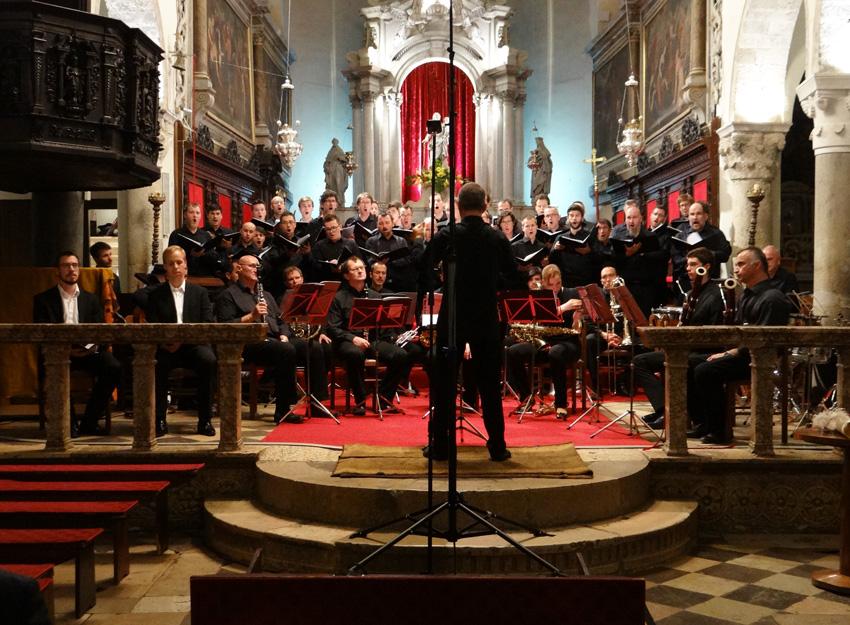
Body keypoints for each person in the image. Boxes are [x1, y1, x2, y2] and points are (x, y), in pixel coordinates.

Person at [426, 182, 518, 462]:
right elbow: (512, 275)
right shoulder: (496, 237)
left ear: (458, 206)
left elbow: (424, 266)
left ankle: (441, 446)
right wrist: (492, 283)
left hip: (453, 315)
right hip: (485, 317)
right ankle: (497, 446)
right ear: (485, 205)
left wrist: (443, 277)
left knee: (445, 384)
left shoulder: (447, 235)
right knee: (489, 385)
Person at [687, 246, 790, 444]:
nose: (736, 269)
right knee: (689, 363)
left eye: (741, 264)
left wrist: (730, 353)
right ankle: (703, 424)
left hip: (760, 360)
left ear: (757, 266)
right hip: (743, 355)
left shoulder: (772, 298)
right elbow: (738, 331)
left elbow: (765, 341)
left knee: (705, 370)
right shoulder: (747, 295)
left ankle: (719, 430)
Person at [632, 247, 725, 429]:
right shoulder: (690, 294)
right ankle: (663, 410)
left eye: (693, 265)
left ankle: (682, 415)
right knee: (639, 361)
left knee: (680, 364)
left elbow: (717, 333)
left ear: (706, 267)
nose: (688, 269)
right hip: (686, 349)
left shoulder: (716, 295)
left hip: (704, 351)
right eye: (687, 265)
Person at [33, 251, 121, 436]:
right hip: (58, 354)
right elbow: (41, 334)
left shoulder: (91, 299)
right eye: (66, 265)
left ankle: (89, 421)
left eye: (74, 265)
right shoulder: (43, 300)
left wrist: (89, 347)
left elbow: (100, 331)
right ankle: (68, 423)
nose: (71, 269)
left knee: (113, 367)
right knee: (54, 368)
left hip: (88, 353)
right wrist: (66, 350)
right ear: (57, 271)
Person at [215, 251, 300, 424]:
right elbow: (225, 327)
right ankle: (283, 410)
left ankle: (316, 404)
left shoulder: (266, 295)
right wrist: (251, 316)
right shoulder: (228, 295)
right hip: (248, 344)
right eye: (252, 266)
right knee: (285, 350)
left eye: (258, 266)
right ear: (239, 269)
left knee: (313, 347)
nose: (256, 269)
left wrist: (284, 334)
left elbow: (281, 320)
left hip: (274, 340)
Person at [144, 246, 217, 437]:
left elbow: (207, 323)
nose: (176, 267)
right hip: (166, 348)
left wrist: (183, 340)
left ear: (186, 266)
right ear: (165, 268)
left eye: (179, 262)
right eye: (171, 263)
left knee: (209, 361)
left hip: (194, 346)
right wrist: (166, 342)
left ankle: (205, 420)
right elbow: (152, 324)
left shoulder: (200, 293)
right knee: (155, 364)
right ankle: (159, 419)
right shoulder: (155, 295)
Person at [325, 256, 408, 415]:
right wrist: (353, 338)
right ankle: (360, 401)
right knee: (355, 354)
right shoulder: (338, 298)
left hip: (372, 340)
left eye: (361, 267)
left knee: (401, 355)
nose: (360, 270)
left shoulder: (375, 296)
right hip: (348, 341)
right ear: (346, 275)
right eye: (355, 269)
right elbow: (332, 328)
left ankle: (383, 398)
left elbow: (382, 325)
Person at [505, 264, 583, 420]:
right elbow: (540, 319)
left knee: (555, 352)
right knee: (512, 352)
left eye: (558, 283)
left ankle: (560, 404)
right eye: (551, 285)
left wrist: (577, 318)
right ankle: (526, 397)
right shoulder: (541, 297)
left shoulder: (572, 293)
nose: (555, 288)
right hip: (544, 342)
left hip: (568, 343)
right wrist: (562, 308)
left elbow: (578, 328)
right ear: (544, 284)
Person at [610, 200, 667, 315]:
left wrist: (642, 254)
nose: (631, 221)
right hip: (626, 287)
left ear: (641, 219)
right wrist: (627, 254)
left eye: (634, 217)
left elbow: (658, 262)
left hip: (646, 288)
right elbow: (614, 261)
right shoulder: (619, 238)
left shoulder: (650, 237)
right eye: (628, 218)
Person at [671, 201, 732, 287]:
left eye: (698, 214)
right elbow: (676, 259)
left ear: (706, 216)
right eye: (692, 214)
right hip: (686, 280)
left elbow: (725, 255)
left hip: (709, 281)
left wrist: (707, 254)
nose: (695, 217)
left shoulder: (716, 233)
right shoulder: (680, 235)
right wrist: (691, 259)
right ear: (688, 217)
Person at [167, 202, 223, 277]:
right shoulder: (176, 234)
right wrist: (190, 254)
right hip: (184, 275)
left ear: (200, 216)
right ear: (185, 215)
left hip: (205, 275)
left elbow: (214, 258)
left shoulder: (206, 235)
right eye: (191, 212)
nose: (195, 215)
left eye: (197, 213)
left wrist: (205, 253)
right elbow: (171, 257)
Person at [549, 202, 596, 288]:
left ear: (582, 218)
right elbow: (552, 260)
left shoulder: (589, 237)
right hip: (566, 282)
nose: (574, 218)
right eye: (571, 215)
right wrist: (555, 249)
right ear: (568, 218)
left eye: (577, 215)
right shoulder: (560, 237)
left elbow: (597, 259)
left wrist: (589, 252)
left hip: (585, 281)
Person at [364, 212, 415, 291]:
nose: (384, 226)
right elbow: (368, 261)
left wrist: (391, 260)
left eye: (387, 223)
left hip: (398, 283)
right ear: (377, 225)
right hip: (377, 284)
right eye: (381, 223)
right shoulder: (371, 241)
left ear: (393, 224)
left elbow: (407, 261)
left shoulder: (401, 241)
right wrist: (379, 262)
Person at [312, 214, 360, 282]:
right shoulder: (319, 245)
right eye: (328, 229)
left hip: (347, 281)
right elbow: (315, 267)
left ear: (340, 227)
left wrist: (344, 267)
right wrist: (329, 267)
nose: (331, 231)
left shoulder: (351, 243)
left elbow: (359, 262)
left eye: (334, 227)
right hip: (327, 280)